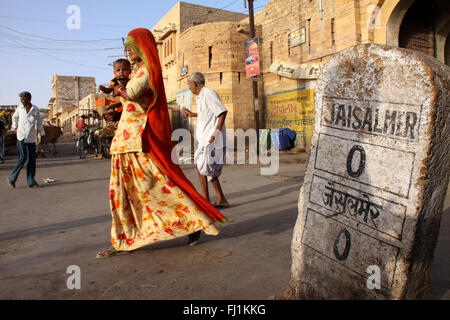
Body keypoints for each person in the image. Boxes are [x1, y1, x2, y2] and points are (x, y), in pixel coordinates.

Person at [96, 28, 227, 258]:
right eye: (127, 46)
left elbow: (131, 94)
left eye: (132, 45)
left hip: (138, 143)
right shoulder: (136, 73)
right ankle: (125, 238)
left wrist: (118, 90)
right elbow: (130, 103)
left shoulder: (147, 72)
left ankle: (194, 221)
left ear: (142, 47)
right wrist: (115, 114)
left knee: (159, 188)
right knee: (126, 193)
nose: (129, 50)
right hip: (124, 143)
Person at [183, 72, 230, 208]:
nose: (188, 86)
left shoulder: (209, 93)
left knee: (201, 167)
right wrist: (192, 114)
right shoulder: (200, 96)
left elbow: (222, 112)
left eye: (189, 84)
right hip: (205, 140)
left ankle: (206, 201)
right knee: (209, 170)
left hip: (212, 139)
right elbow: (208, 113)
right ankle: (221, 199)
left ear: (195, 84)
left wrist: (216, 132)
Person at [7, 91, 45, 188]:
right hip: (21, 137)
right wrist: (15, 128)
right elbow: (14, 118)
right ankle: (12, 178)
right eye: (21, 99)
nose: (21, 101)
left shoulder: (35, 109)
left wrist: (42, 134)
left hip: (31, 138)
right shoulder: (19, 109)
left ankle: (30, 181)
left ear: (28, 99)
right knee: (23, 157)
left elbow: (39, 123)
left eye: (23, 99)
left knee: (31, 159)